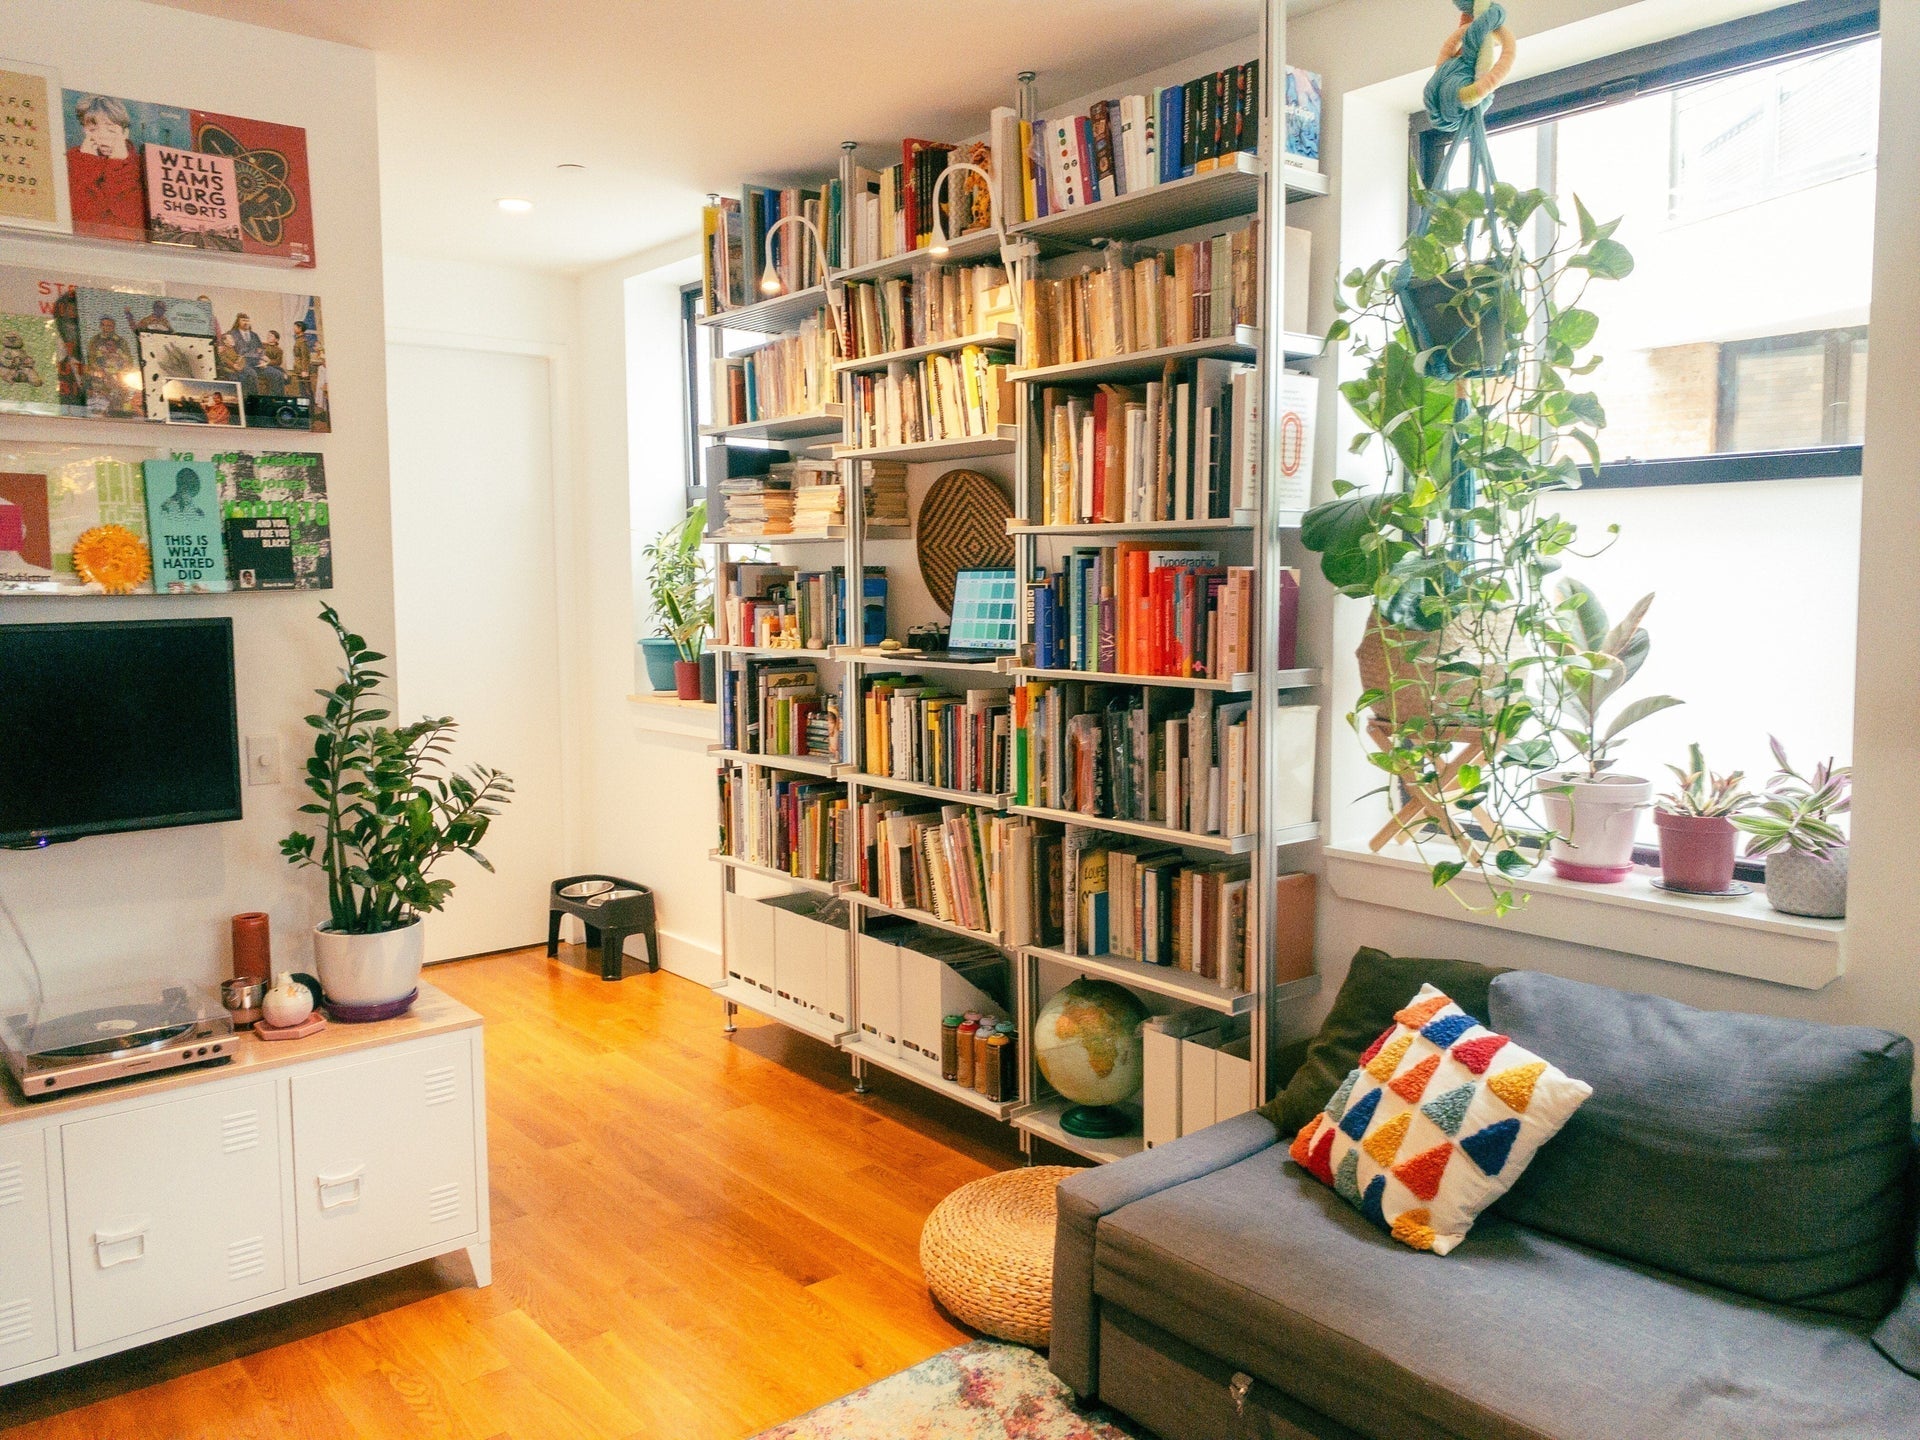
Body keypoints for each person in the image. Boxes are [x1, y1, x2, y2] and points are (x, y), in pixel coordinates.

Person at [67, 95, 147, 237]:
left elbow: (132, 225)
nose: (102, 137)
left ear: (125, 133)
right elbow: (80, 222)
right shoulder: (72, 161)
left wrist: (119, 164)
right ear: (84, 130)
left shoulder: (142, 167)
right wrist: (87, 165)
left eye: (111, 130)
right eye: (93, 130)